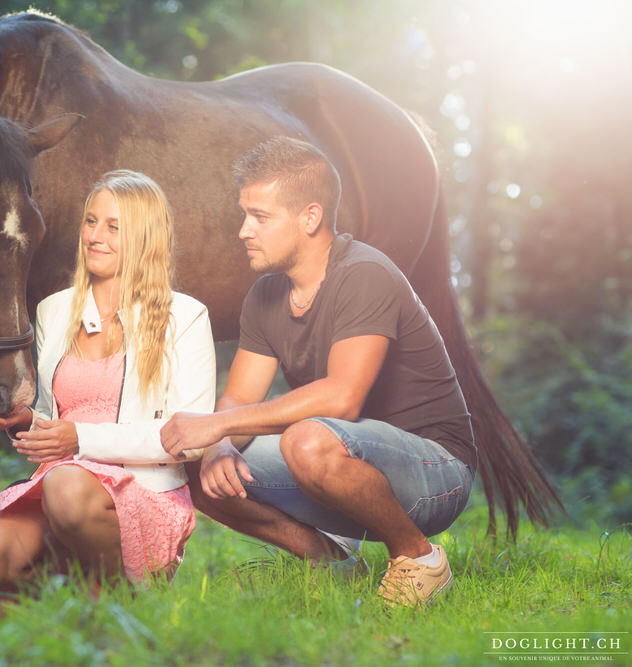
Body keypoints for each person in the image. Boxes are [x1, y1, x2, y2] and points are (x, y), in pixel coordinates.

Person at [160, 137, 477, 608]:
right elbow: (239, 397)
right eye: (245, 214)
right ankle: (330, 560)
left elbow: (342, 397)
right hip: (340, 457)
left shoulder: (366, 273)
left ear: (310, 217)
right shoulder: (266, 294)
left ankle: (419, 558)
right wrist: (218, 445)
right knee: (193, 462)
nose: (244, 230)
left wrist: (218, 425)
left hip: (435, 472)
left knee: (305, 439)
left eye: (260, 217)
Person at [0, 170, 216, 611]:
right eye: (90, 221)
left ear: (145, 237)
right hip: (62, 485)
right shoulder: (53, 310)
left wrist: (79, 438)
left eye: (114, 227)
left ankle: (124, 612)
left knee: (67, 488)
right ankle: (72, 606)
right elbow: (56, 418)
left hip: (140, 493)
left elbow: (189, 441)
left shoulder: (185, 317)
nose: (95, 236)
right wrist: (26, 423)